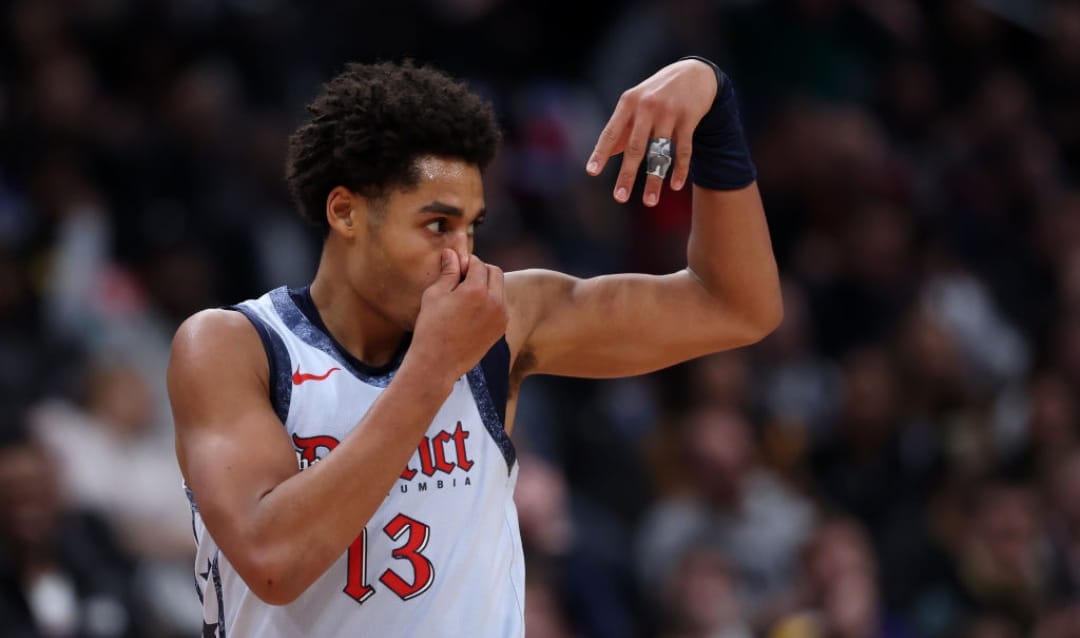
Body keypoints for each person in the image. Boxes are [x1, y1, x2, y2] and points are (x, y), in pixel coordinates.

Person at [168, 56, 781, 636]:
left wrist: (717, 108)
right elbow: (274, 560)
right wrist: (434, 365)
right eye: (437, 225)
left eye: (471, 227)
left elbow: (735, 307)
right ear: (346, 212)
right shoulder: (234, 346)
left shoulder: (505, 324)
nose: (463, 258)